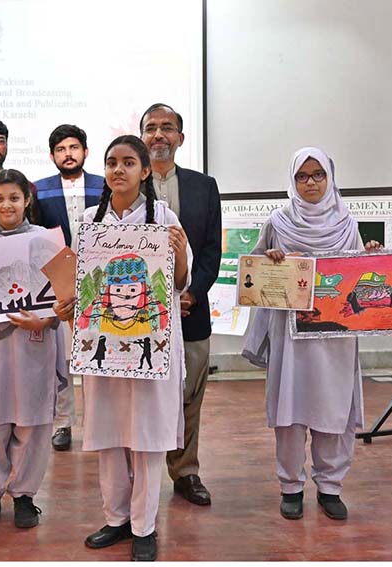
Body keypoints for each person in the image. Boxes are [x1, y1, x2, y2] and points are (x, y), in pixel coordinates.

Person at [54, 135, 191, 561]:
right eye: (112, 162)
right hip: (104, 347)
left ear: (145, 171)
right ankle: (116, 519)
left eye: (129, 162)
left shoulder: (163, 216)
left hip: (152, 345)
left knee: (147, 436)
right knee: (110, 434)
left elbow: (181, 281)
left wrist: (181, 253)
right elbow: (78, 284)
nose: (118, 170)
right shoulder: (90, 225)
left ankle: (144, 525)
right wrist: (66, 306)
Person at [242, 147, 382, 522]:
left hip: (334, 338)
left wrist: (370, 257)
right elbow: (253, 274)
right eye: (302, 176)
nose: (311, 183)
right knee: (291, 410)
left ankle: (330, 486)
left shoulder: (347, 224)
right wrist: (270, 259)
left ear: (330, 177)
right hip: (290, 338)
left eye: (318, 175)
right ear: (292, 180)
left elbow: (357, 280)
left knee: (333, 408)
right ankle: (291, 486)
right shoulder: (278, 221)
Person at [0, 169, 62, 531]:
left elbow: (64, 293)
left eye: (14, 198)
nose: (7, 205)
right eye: (0, 198)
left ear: (27, 200)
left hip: (34, 342)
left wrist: (47, 319)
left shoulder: (45, 241)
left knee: (32, 421)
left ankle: (24, 496)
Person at [139, 103, 221, 506]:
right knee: (144, 398)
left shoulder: (204, 186)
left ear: (181, 138)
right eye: (151, 128)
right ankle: (142, 477)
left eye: (167, 128)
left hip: (192, 312)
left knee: (189, 398)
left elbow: (210, 251)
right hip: (137, 316)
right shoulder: (124, 187)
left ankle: (186, 472)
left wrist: (190, 293)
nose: (159, 135)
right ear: (141, 138)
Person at [34, 124, 105, 451]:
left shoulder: (103, 186)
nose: (68, 154)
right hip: (57, 280)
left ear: (85, 152)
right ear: (52, 155)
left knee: (97, 353)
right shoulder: (39, 189)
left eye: (74, 147)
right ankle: (62, 424)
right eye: (61, 149)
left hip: (99, 279)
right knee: (61, 359)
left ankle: (100, 424)